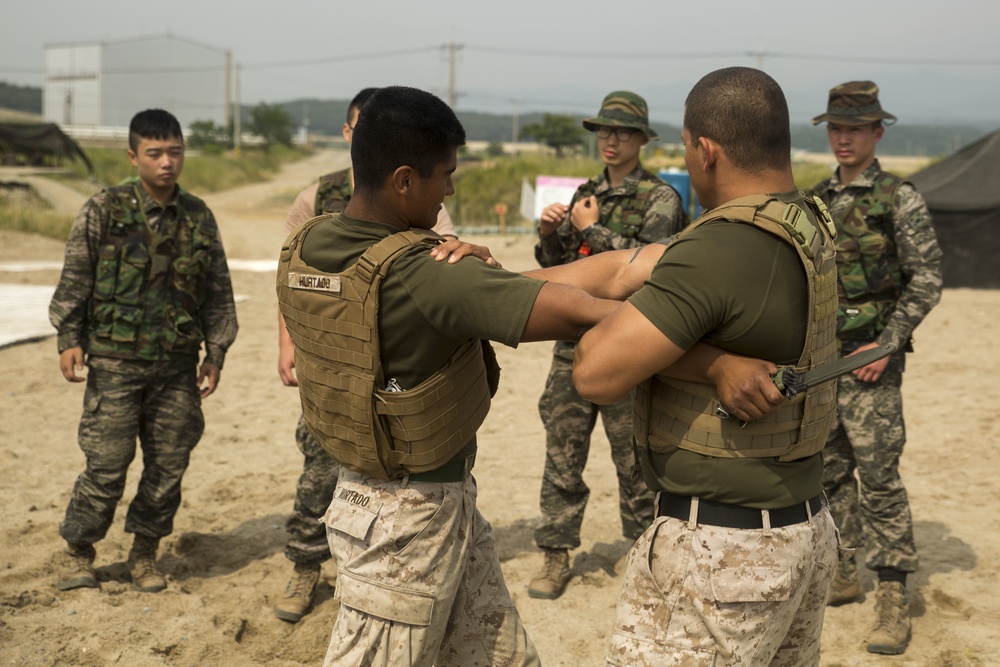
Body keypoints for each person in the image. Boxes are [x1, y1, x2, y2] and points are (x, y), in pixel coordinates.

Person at [276, 85, 778, 667]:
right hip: (404, 530)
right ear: (405, 180)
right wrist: (717, 362)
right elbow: (605, 315)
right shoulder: (428, 273)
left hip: (397, 496)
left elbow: (534, 281)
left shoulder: (310, 244)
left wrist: (485, 277)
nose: (452, 189)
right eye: (445, 176)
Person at [539, 67, 844, 665]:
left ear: (705, 150)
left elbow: (596, 373)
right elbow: (629, 266)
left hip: (723, 554)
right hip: (800, 527)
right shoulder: (807, 221)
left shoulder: (720, 243)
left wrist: (687, 356)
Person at [273, 87, 459, 623]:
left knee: (389, 470)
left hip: (391, 362)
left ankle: (371, 575)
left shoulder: (418, 195)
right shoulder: (319, 196)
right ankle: (305, 565)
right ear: (349, 133)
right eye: (356, 125)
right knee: (318, 464)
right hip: (329, 361)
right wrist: (287, 343)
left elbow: (442, 253)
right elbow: (291, 275)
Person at [49, 109, 238, 594]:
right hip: (113, 365)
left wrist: (215, 352)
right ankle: (80, 551)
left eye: (174, 152)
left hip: (176, 367)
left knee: (168, 465)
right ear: (133, 157)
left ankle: (144, 554)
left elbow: (218, 292)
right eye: (154, 153)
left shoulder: (198, 216)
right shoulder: (104, 209)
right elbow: (75, 278)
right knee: (106, 467)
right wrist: (68, 337)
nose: (166, 163)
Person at [529, 90, 688, 600]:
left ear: (642, 139)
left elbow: (651, 269)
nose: (611, 140)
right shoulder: (584, 193)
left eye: (621, 132)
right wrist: (549, 234)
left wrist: (592, 230)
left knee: (636, 461)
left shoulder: (663, 200)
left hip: (629, 345)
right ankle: (555, 554)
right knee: (562, 453)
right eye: (603, 130)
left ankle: (647, 556)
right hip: (573, 344)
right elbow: (563, 269)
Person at [808, 80, 943, 655]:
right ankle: (843, 571)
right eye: (836, 128)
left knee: (879, 477)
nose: (844, 138)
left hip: (873, 365)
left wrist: (886, 344)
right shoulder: (814, 199)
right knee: (830, 471)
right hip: (823, 366)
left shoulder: (898, 197)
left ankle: (892, 593)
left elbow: (928, 279)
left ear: (877, 132)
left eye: (855, 129)